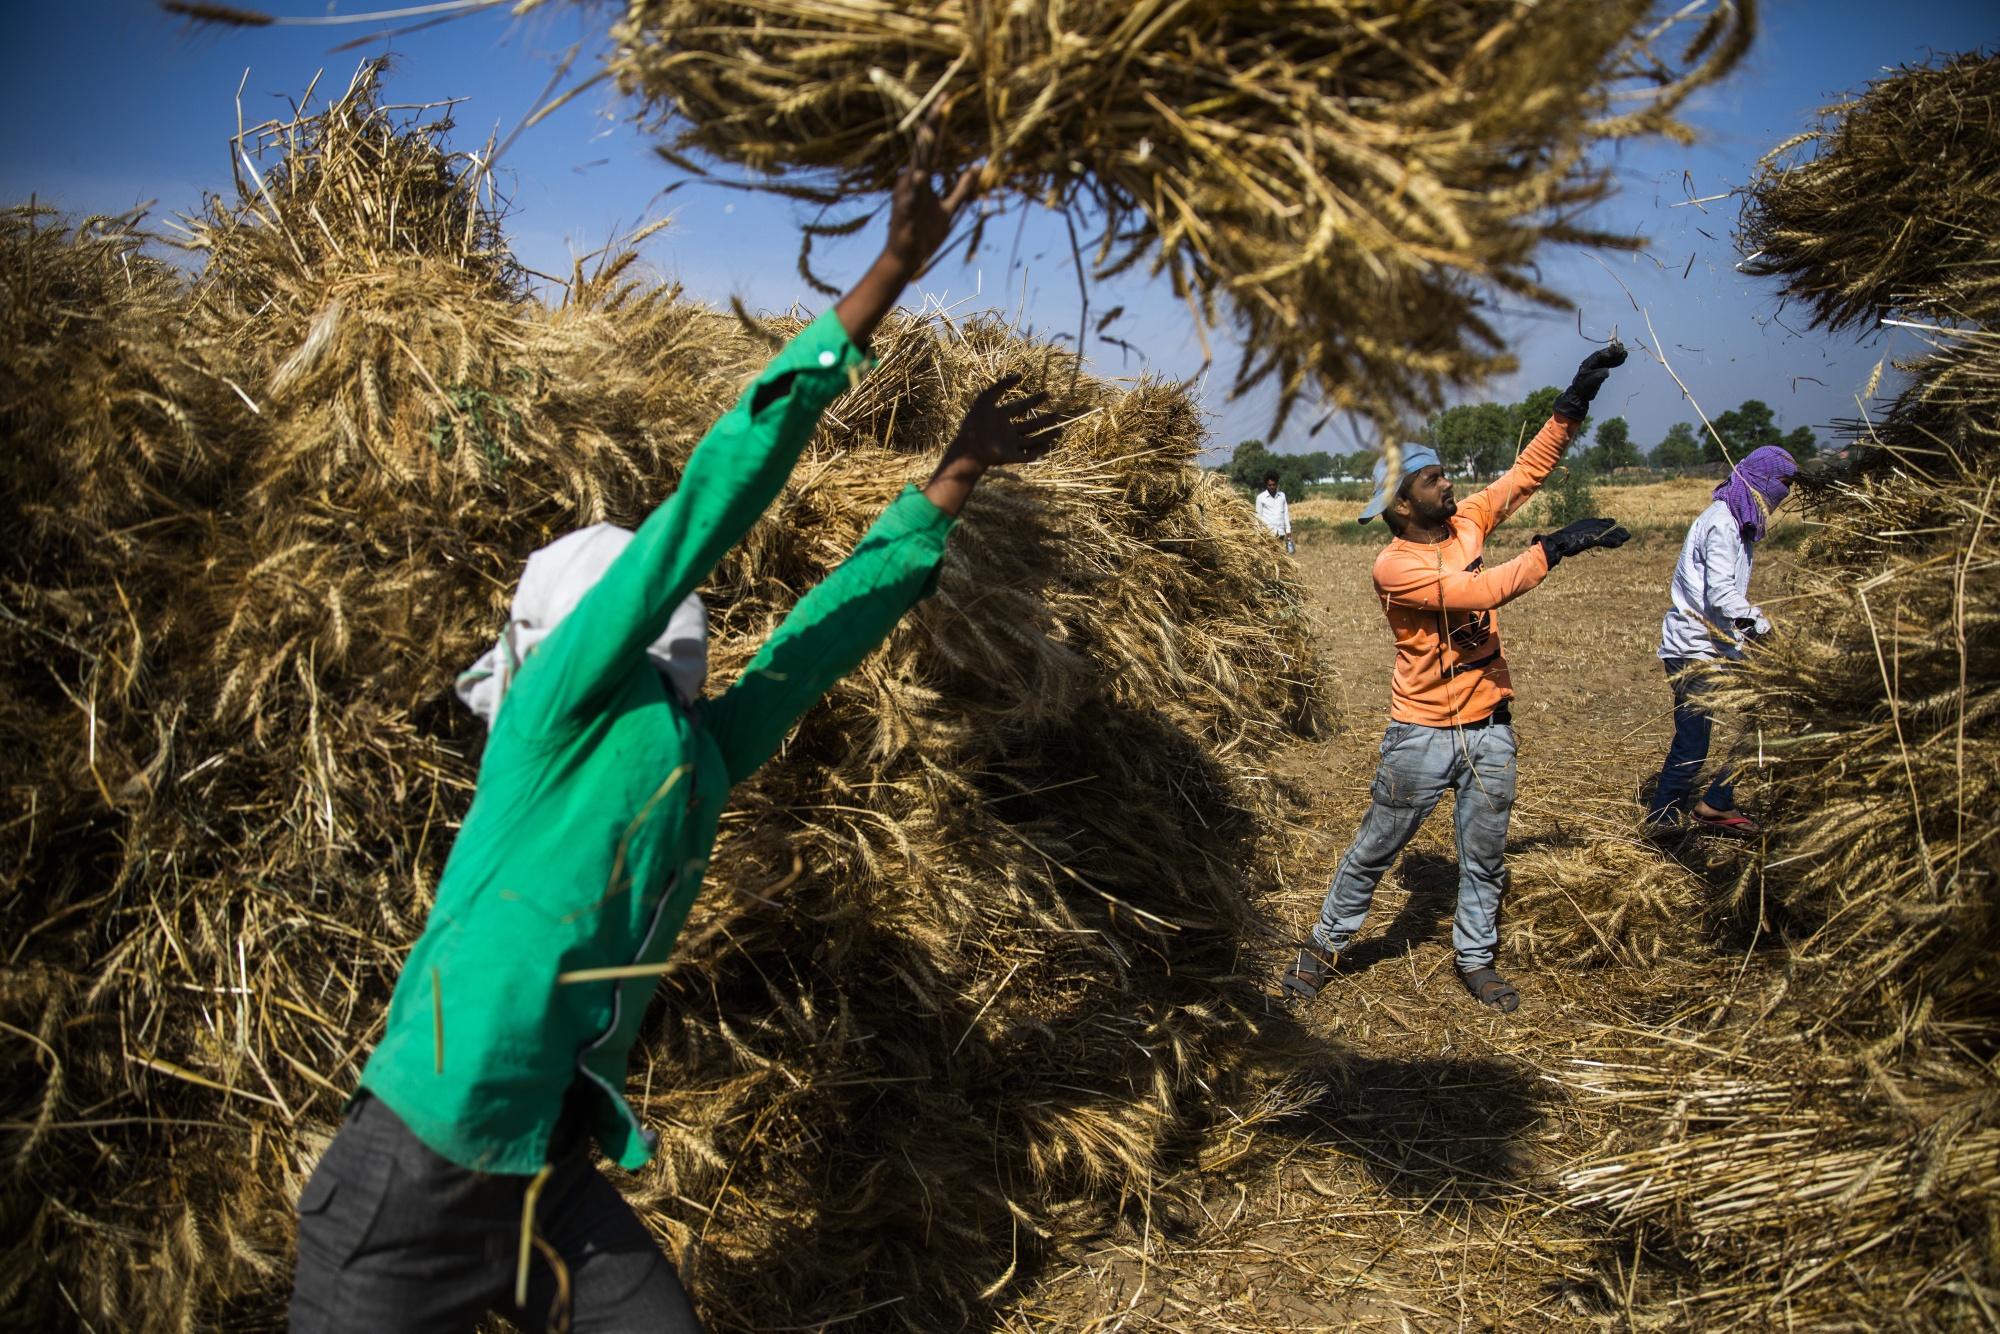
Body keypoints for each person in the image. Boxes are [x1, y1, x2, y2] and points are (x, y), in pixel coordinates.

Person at [287, 136, 1061, 1334]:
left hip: (548, 1174)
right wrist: (882, 282)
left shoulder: (693, 753)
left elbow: (813, 645)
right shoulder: (555, 716)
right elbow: (703, 509)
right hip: (410, 1178)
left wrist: (951, 475)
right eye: (653, 617)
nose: (683, 632)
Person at [1278, 345, 1633, 1014]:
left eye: (1446, 476)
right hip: (1423, 736)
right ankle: (1323, 948)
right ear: (1403, 502)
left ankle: (1474, 959)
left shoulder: (1465, 522)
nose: (1450, 486)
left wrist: (1572, 404)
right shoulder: (1394, 566)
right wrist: (1553, 547)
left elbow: (1526, 474)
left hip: (1489, 728)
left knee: (1485, 857)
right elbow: (1484, 592)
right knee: (1374, 850)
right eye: (1435, 479)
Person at [1645, 444, 1799, 834]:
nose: (1781, 496)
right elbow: (1721, 595)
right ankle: (1662, 819)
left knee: (1771, 713)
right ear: (1761, 481)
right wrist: (1764, 628)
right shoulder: (1722, 524)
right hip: (1694, 649)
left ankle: (1717, 801)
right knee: (1693, 742)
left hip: (1720, 648)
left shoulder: (1739, 523)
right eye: (1780, 486)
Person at [1255, 470, 1294, 554]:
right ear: (1266, 485)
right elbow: (1258, 517)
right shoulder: (1261, 498)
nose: (1272, 487)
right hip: (1267, 533)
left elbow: (1285, 514)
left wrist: (1288, 530)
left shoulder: (1282, 496)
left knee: (1279, 555)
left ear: (1277, 484)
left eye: (1274, 485)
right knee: (1269, 555)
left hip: (1280, 532)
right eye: (1270, 485)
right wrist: (1258, 534)